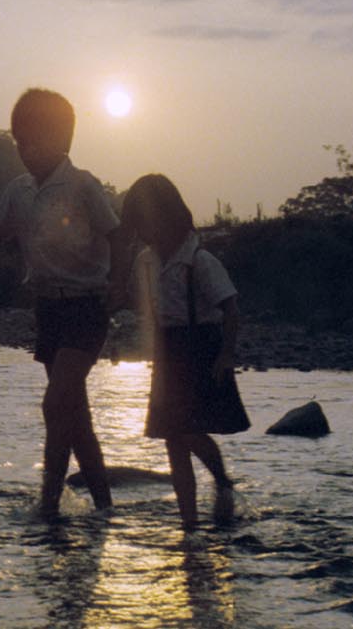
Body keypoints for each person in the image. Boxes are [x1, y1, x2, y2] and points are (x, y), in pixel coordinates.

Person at [0, 88, 125, 519]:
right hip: (49, 312)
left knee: (56, 403)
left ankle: (48, 505)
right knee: (75, 417)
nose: (25, 150)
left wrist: (119, 281)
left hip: (86, 309)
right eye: (20, 141)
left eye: (34, 140)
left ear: (62, 140)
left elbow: (117, 233)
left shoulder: (82, 185)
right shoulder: (18, 191)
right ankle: (104, 507)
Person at [122, 173, 250, 529]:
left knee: (189, 431)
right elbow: (143, 310)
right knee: (172, 440)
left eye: (150, 222)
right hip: (168, 352)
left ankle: (221, 480)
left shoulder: (200, 260)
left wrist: (226, 355)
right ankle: (189, 524)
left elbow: (231, 309)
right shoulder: (145, 262)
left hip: (200, 349)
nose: (146, 232)